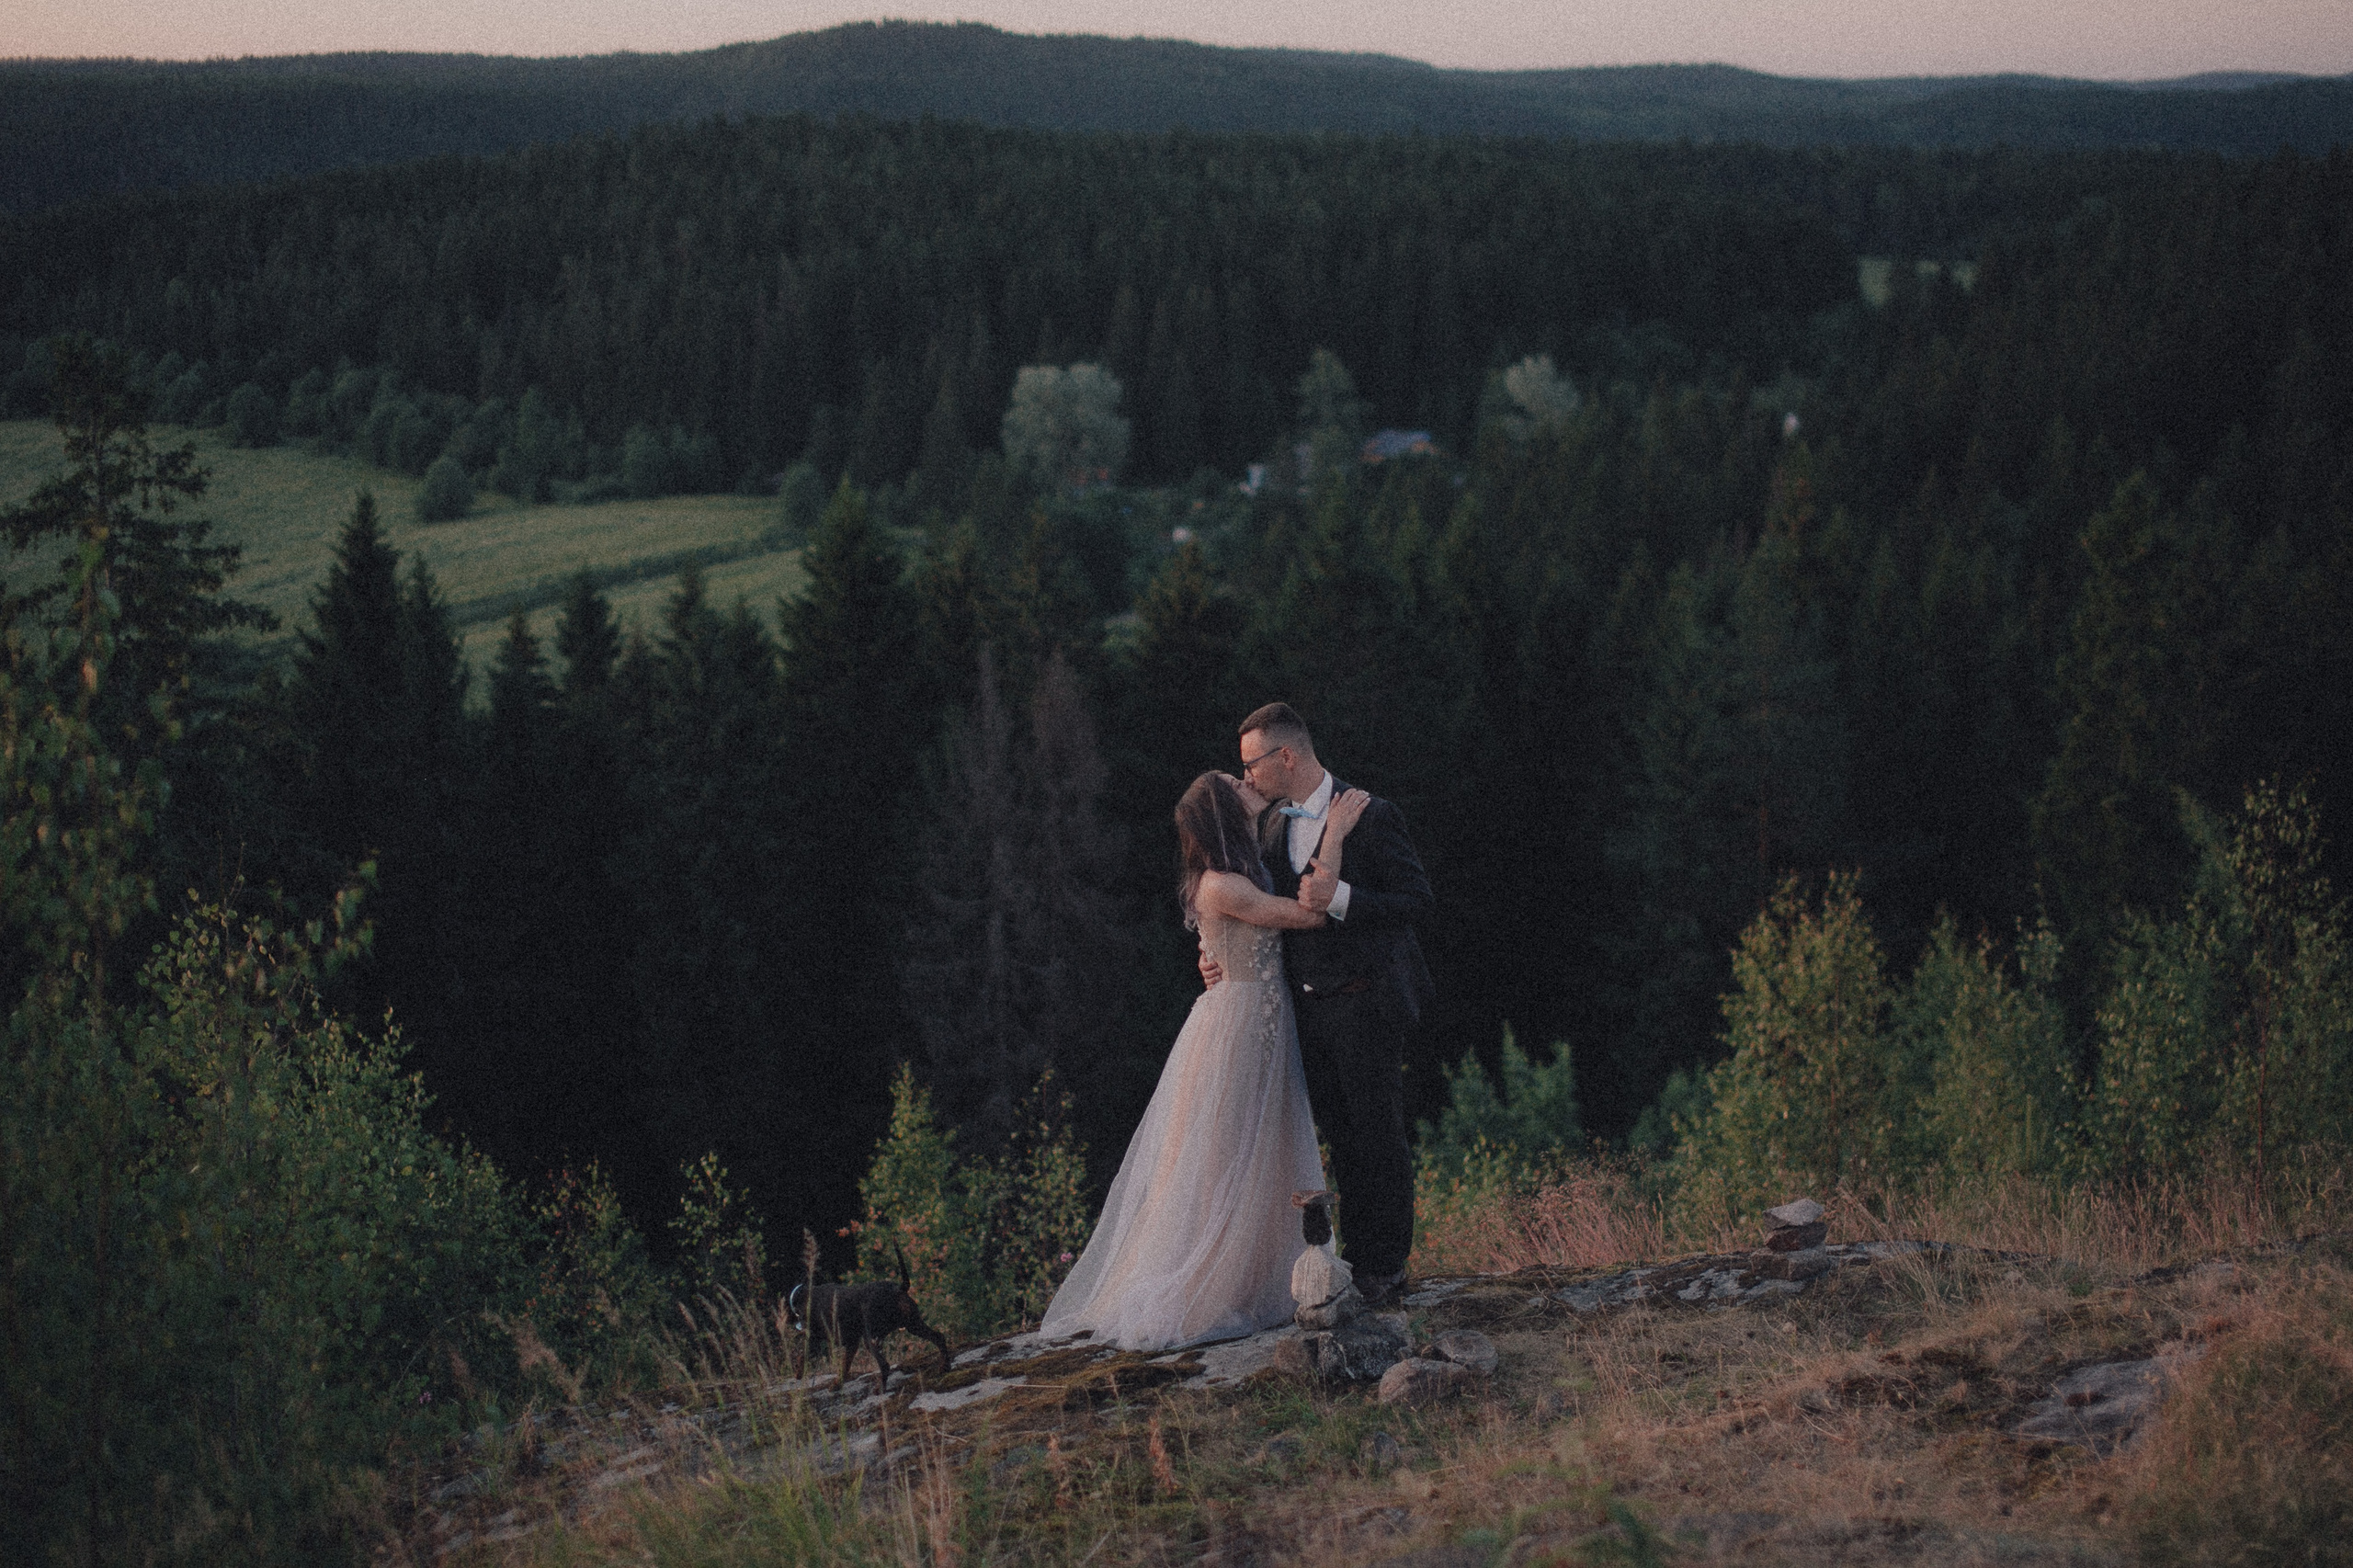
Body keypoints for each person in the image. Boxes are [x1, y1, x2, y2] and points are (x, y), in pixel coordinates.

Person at [1040, 768, 1368, 1350]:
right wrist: (1335, 836)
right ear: (1222, 810)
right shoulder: (1222, 883)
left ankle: (1250, 1280)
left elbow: (1232, 937)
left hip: (1259, 1021)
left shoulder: (1242, 869)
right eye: (1233, 783)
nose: (1245, 782)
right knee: (1227, 1154)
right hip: (1238, 1029)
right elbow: (1310, 915)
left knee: (1259, 1152)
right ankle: (1208, 1287)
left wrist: (1214, 953)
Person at [1202, 702, 1433, 1309]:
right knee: (1339, 1141)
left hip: (1368, 1003)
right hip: (1306, 1013)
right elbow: (1262, 916)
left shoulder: (1372, 813)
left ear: (1287, 756)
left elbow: (1415, 900)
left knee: (1379, 1136)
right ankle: (1351, 1265)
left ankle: (1384, 1270)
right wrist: (1221, 957)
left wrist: (1344, 896)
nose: (1245, 775)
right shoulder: (1272, 825)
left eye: (1251, 763)